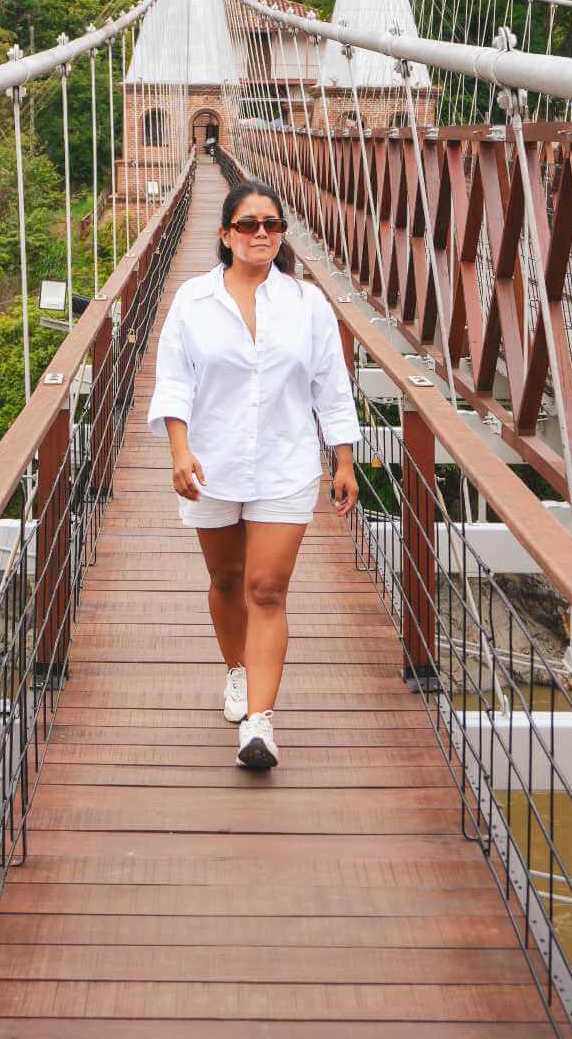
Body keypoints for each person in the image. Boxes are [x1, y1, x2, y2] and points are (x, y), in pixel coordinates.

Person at [147, 180, 360, 770]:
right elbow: (174, 382)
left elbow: (331, 385)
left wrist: (343, 459)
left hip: (285, 462)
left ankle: (260, 723)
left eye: (270, 224)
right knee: (225, 579)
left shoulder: (307, 304)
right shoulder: (192, 301)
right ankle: (236, 671)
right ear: (225, 235)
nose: (260, 234)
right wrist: (179, 451)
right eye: (247, 225)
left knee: (265, 588)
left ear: (282, 234)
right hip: (210, 463)